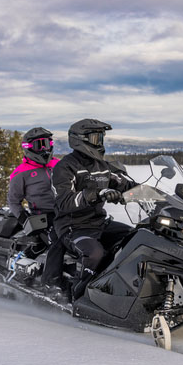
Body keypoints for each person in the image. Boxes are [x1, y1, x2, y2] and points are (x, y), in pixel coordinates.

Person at [51, 119, 137, 301]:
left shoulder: (103, 167)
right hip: (72, 226)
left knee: (134, 237)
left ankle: (119, 288)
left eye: (102, 138)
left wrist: (152, 193)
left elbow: (125, 184)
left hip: (99, 222)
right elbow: (64, 201)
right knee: (95, 253)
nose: (101, 143)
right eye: (96, 138)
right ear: (81, 140)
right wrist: (97, 194)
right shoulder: (65, 167)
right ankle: (78, 295)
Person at [7, 127, 65, 294]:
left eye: (48, 143)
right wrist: (24, 219)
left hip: (67, 212)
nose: (45, 148)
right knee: (59, 240)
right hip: (43, 216)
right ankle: (52, 284)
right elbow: (13, 201)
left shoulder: (59, 165)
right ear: (29, 147)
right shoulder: (20, 173)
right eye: (40, 145)